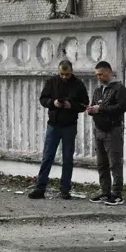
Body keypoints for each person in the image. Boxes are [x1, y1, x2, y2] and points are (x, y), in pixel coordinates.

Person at [29, 58, 88, 200]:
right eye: (62, 74)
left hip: (69, 126)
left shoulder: (79, 84)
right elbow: (43, 99)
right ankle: (40, 188)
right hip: (53, 125)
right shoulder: (51, 82)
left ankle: (65, 189)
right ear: (58, 71)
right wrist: (52, 102)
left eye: (67, 74)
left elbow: (85, 104)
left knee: (68, 159)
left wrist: (71, 106)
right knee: (47, 157)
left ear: (71, 71)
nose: (64, 77)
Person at [86, 60, 126, 205]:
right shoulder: (98, 90)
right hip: (98, 129)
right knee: (101, 163)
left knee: (115, 163)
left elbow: (121, 107)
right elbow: (94, 106)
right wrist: (91, 110)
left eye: (101, 74)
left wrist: (101, 109)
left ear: (109, 72)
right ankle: (105, 191)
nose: (99, 77)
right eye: (97, 75)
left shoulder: (119, 88)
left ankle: (117, 194)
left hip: (113, 130)